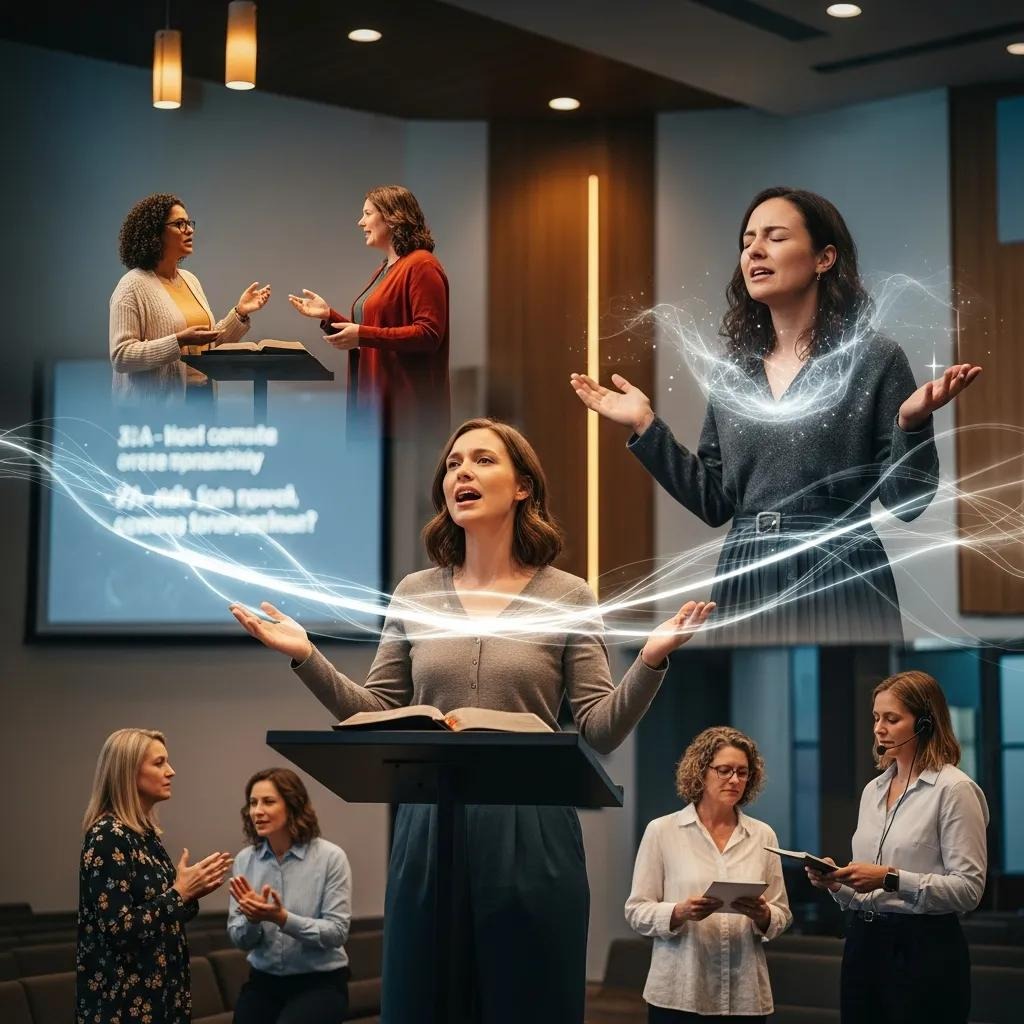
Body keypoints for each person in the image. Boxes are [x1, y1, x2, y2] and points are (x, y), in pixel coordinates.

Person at [229, 416, 715, 1024]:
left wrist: (649, 659)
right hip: (429, 828)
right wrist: (307, 656)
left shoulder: (566, 594)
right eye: (454, 463)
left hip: (532, 829)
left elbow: (598, 728)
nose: (462, 471)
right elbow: (376, 713)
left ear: (522, 488)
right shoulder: (414, 593)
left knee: (526, 1001)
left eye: (483, 460)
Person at [571, 186, 982, 645]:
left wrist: (911, 423)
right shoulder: (734, 373)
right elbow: (714, 504)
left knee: (846, 709)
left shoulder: (874, 358)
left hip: (840, 569)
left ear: (824, 258)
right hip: (745, 574)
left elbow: (910, 503)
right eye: (747, 242)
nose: (754, 251)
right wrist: (645, 427)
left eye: (775, 237)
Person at [806, 670, 989, 1024]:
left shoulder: (954, 790)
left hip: (924, 949)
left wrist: (891, 878)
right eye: (876, 718)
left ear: (924, 724)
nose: (879, 728)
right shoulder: (873, 791)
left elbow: (969, 891)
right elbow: (865, 891)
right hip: (863, 942)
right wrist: (837, 884)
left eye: (892, 719)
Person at [626, 726, 791, 1022]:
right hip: (678, 992)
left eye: (743, 772)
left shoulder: (763, 835)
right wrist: (679, 911)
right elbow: (636, 911)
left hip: (744, 995)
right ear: (701, 771)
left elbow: (782, 913)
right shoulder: (662, 831)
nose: (735, 779)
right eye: (724, 770)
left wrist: (764, 915)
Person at [76, 728, 232, 1024]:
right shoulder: (108, 836)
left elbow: (162, 915)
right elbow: (120, 930)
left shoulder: (144, 835)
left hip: (161, 999)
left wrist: (191, 892)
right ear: (128, 772)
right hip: (123, 1005)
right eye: (159, 763)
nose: (171, 772)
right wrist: (179, 894)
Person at [288, 184, 449, 443]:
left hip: (405, 414)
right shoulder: (385, 269)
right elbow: (373, 330)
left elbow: (428, 335)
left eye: (367, 213)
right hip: (374, 406)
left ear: (393, 217)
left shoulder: (422, 265)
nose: (360, 222)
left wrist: (362, 334)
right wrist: (329, 316)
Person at [110, 193, 270, 402]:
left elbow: (207, 344)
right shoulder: (132, 286)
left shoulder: (189, 280)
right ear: (155, 233)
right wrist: (178, 341)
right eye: (179, 224)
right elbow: (121, 357)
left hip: (202, 400)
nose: (190, 230)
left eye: (189, 223)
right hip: (152, 414)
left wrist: (240, 313)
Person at [228, 767, 352, 1024]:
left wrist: (282, 918)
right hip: (264, 982)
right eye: (253, 803)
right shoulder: (245, 861)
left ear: (293, 805)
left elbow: (337, 932)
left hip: (320, 984)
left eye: (268, 802)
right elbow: (240, 939)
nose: (257, 811)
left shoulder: (331, 858)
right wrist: (253, 919)